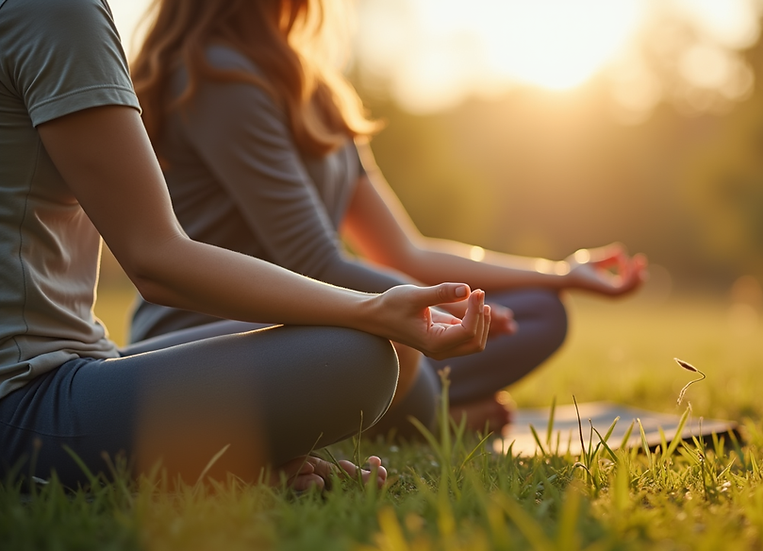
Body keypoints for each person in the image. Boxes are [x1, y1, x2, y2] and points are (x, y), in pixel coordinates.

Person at [0, 0, 492, 492]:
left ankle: (233, 466)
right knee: (360, 356)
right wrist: (370, 309)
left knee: (384, 350)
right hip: (23, 401)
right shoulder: (55, 10)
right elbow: (156, 259)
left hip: (84, 359)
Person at [127, 0, 648, 435]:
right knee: (380, 352)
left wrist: (558, 273)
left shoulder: (318, 91)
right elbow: (316, 262)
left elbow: (405, 251)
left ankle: (395, 408)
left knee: (541, 310)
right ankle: (428, 419)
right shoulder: (214, 74)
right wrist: (425, 316)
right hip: (215, 334)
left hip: (323, 316)